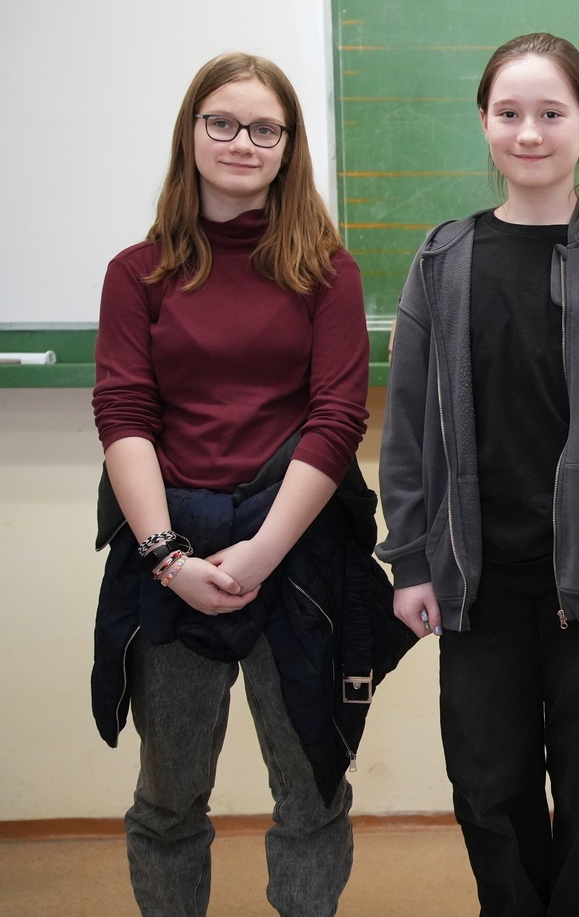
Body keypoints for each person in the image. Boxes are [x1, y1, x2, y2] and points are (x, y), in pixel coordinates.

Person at [377, 31, 579, 916]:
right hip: (478, 579)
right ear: (483, 122)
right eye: (508, 113)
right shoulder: (443, 261)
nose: (528, 133)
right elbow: (407, 428)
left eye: (551, 113)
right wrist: (410, 562)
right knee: (488, 790)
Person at [91, 52, 373, 916]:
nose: (242, 142)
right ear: (191, 132)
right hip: (170, 562)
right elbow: (124, 417)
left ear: (288, 147)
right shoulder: (136, 273)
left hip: (294, 559)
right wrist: (168, 558)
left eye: (264, 128)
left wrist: (261, 552)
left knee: (311, 793)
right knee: (168, 800)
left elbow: (337, 421)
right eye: (222, 122)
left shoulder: (328, 271)